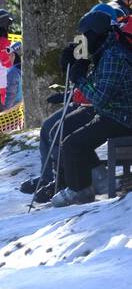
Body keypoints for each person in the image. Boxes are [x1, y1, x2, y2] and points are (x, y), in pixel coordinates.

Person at [20, 4, 121, 203]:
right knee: (51, 128)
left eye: (86, 35)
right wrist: (76, 66)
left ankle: (68, 182)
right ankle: (54, 177)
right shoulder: (102, 49)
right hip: (97, 104)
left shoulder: (113, 52)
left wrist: (77, 84)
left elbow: (101, 92)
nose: (83, 39)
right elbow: (95, 81)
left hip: (111, 110)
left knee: (63, 132)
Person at [52, 17, 132, 206]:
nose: (83, 40)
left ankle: (79, 190)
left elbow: (101, 97)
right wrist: (81, 62)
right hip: (113, 113)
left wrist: (78, 78)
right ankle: (94, 183)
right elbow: (98, 88)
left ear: (96, 34)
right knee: (66, 134)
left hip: (123, 117)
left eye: (85, 36)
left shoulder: (114, 56)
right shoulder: (105, 52)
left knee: (73, 144)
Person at [4, 41, 22, 110]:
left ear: (15, 55)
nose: (9, 58)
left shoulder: (13, 72)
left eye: (11, 55)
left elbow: (10, 95)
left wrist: (5, 113)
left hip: (16, 112)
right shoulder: (30, 68)